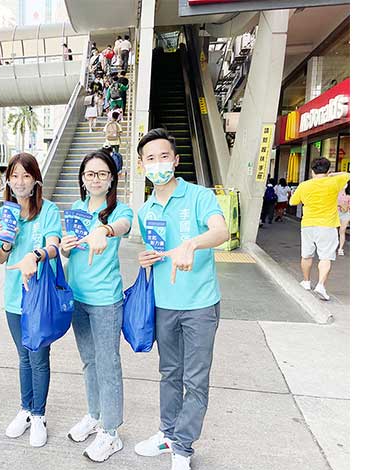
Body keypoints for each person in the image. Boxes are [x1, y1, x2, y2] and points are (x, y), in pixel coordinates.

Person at [133, 129, 229, 470]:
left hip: (200, 304)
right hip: (164, 304)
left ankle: (183, 448)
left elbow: (221, 231)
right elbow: (158, 251)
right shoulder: (145, 210)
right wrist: (146, 259)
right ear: (142, 165)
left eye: (163, 157)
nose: (157, 164)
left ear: (175, 160)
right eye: (150, 159)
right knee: (169, 373)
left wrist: (192, 243)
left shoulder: (200, 196)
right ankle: (167, 433)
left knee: (195, 379)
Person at [60, 149, 133, 462]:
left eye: (103, 174)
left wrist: (104, 229)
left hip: (105, 301)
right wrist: (65, 246)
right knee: (89, 361)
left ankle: (111, 432)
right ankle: (94, 414)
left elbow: (124, 225)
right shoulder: (76, 208)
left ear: (112, 178)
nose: (96, 179)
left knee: (108, 364)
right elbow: (69, 252)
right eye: (90, 174)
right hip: (78, 298)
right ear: (82, 178)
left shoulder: (118, 210)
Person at [0, 152, 62, 448]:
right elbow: (0, 258)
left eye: (26, 176)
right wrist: (7, 244)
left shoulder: (49, 210)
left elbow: (54, 246)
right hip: (13, 297)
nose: (20, 182)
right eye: (15, 176)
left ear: (36, 180)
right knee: (23, 357)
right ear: (8, 180)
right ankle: (25, 409)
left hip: (40, 298)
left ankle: (39, 415)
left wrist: (36, 255)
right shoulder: (4, 214)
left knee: (39, 357)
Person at [288, 157, 350, 301]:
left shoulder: (304, 185)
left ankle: (306, 281)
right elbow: (348, 174)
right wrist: (332, 175)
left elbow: (292, 202)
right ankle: (321, 285)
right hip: (327, 225)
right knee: (325, 257)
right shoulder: (335, 181)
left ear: (312, 171)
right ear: (328, 170)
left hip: (308, 224)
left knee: (306, 255)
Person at [337, 183, 350, 255]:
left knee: (342, 231)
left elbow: (348, 207)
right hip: (336, 213)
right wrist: (340, 205)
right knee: (334, 231)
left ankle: (340, 248)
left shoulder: (348, 195)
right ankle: (332, 247)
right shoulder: (335, 194)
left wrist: (345, 206)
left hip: (345, 214)